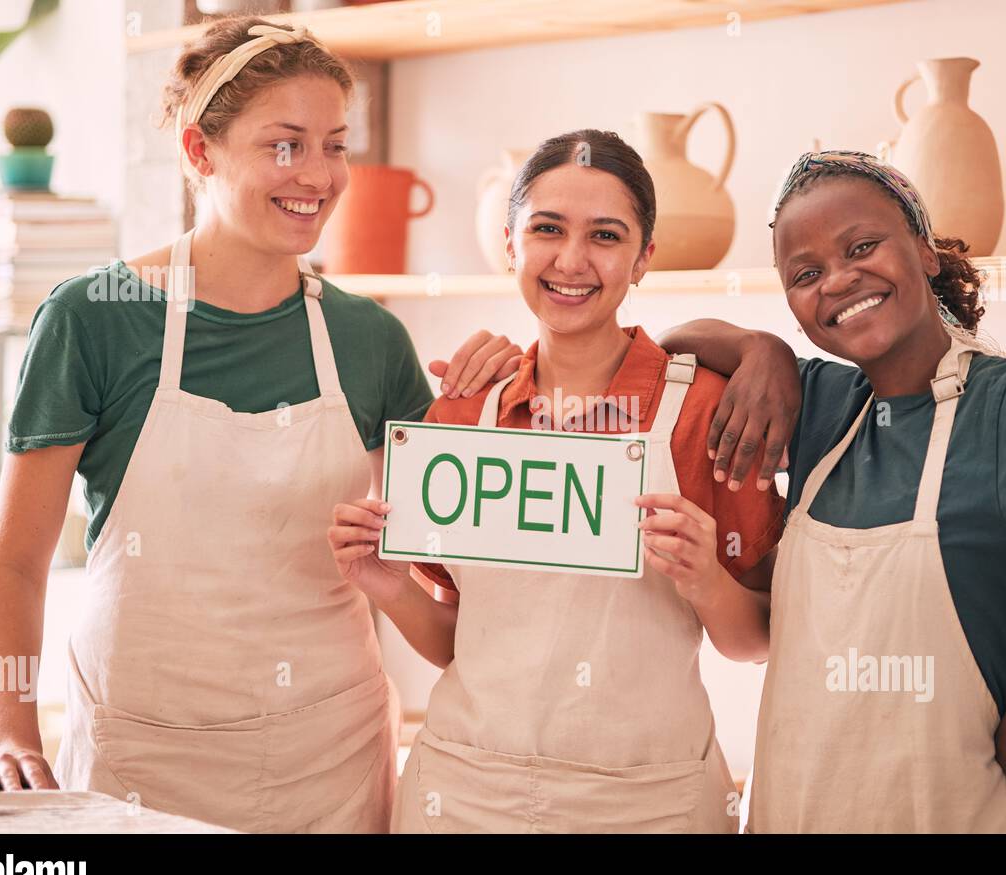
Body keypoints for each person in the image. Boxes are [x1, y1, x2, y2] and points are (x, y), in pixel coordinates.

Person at [0, 17, 518, 834]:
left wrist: (509, 387)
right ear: (199, 152)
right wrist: (9, 730)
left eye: (336, 145)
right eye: (285, 145)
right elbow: (15, 563)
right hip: (142, 762)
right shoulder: (93, 320)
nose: (319, 175)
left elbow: (462, 578)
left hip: (330, 759)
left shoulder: (369, 339)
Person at [659, 150, 1006, 833]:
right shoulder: (824, 405)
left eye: (862, 246)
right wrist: (758, 347)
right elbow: (673, 341)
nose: (838, 279)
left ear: (924, 251)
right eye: (806, 274)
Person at [328, 129, 785, 833]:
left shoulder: (705, 413)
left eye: (606, 235)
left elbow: (754, 639)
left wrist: (705, 580)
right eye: (547, 229)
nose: (572, 260)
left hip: (649, 803)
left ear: (643, 260)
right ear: (511, 244)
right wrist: (386, 584)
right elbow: (461, 642)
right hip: (463, 795)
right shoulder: (459, 412)